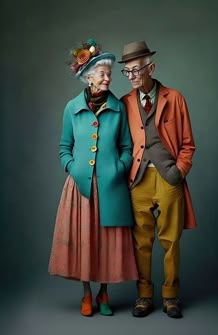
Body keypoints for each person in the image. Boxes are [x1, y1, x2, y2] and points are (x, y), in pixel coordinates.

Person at [48, 38, 137, 317]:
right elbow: (64, 148)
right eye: (103, 73)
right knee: (86, 240)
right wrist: (73, 168)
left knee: (108, 243)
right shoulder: (71, 108)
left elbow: (127, 147)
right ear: (89, 77)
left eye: (110, 73)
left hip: (111, 187)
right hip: (81, 188)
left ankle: (104, 293)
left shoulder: (118, 107)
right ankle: (86, 294)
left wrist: (120, 168)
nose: (108, 77)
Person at [119, 40, 196, 318]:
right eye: (126, 72)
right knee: (140, 242)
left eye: (136, 70)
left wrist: (178, 171)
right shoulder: (124, 103)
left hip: (168, 179)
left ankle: (171, 295)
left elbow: (188, 144)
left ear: (150, 67)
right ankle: (143, 295)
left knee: (170, 241)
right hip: (137, 180)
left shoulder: (174, 98)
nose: (132, 77)